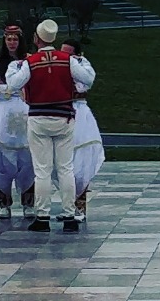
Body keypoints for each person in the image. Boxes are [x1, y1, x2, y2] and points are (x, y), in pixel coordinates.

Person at [6, 18, 95, 233]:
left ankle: (42, 216)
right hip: (64, 117)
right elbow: (88, 79)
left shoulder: (31, 61)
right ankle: (69, 215)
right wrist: (82, 61)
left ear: (37, 38)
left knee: (42, 171)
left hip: (38, 118)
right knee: (66, 168)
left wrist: (16, 66)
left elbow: (13, 83)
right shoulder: (67, 60)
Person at [0, 24, 36, 219]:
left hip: (24, 110)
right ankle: (4, 203)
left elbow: (32, 85)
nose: (12, 42)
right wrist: (15, 88)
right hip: (1, 113)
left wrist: (8, 86)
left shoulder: (29, 60)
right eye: (8, 39)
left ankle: (28, 202)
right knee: (0, 158)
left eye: (15, 39)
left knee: (28, 158)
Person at [62, 40, 104, 222]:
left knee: (82, 159)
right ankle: (67, 206)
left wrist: (73, 64)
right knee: (62, 162)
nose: (64, 57)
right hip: (60, 112)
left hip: (80, 114)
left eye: (69, 54)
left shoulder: (82, 66)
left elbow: (87, 81)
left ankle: (80, 207)